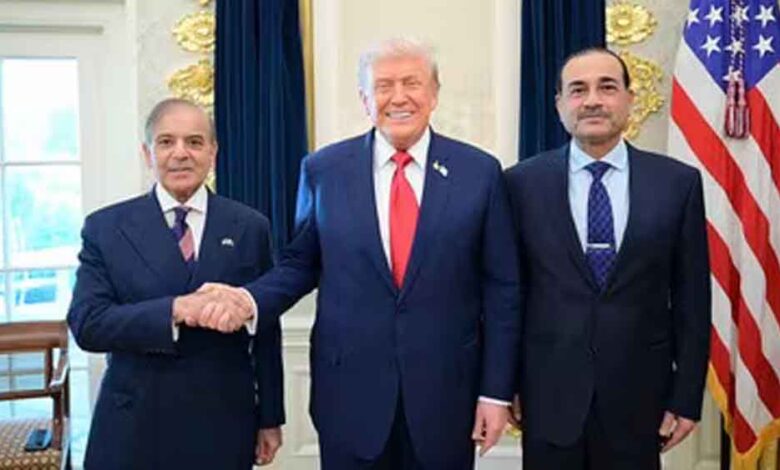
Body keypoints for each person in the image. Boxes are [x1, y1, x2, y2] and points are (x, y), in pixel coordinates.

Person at [199, 38, 520, 469]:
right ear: (365, 100)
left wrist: (495, 392)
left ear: (434, 94)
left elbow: (502, 289)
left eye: (412, 83)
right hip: (349, 396)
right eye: (384, 86)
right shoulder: (323, 170)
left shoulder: (479, 172)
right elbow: (300, 263)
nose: (399, 97)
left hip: (447, 396)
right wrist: (248, 299)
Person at [504, 48, 711, 469]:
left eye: (607, 87)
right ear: (560, 104)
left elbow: (692, 300)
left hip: (640, 400)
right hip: (547, 398)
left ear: (629, 99)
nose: (593, 100)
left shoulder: (677, 184)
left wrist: (687, 396)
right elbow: (507, 294)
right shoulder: (519, 185)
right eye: (578, 90)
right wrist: (503, 383)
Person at [67, 98, 285, 469]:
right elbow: (88, 324)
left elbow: (266, 329)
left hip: (224, 423)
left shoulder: (250, 227)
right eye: (166, 142)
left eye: (194, 142)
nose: (180, 153)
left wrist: (270, 417)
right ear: (147, 153)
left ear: (213, 152)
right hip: (133, 425)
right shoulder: (106, 228)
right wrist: (176, 310)